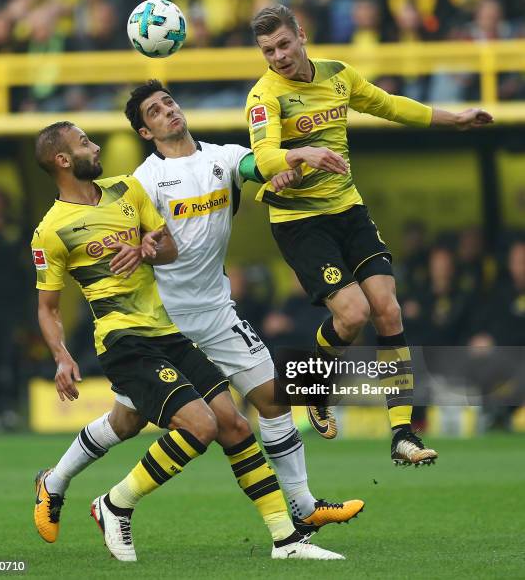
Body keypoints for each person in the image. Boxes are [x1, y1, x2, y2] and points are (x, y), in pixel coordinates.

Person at [33, 82, 364, 547]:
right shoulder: (142, 180)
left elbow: (255, 165)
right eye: (155, 110)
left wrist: (287, 166)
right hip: (164, 320)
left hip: (215, 311)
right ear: (145, 131)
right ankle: (59, 482)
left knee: (273, 398)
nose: (168, 110)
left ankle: (304, 509)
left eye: (169, 102)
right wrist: (143, 246)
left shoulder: (224, 158)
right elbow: (140, 239)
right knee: (129, 422)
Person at [245, 4, 493, 465]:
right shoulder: (264, 96)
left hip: (349, 211)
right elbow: (262, 155)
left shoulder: (339, 74)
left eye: (283, 44)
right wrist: (299, 157)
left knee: (388, 309)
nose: (278, 56)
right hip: (300, 223)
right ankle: (315, 391)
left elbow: (391, 105)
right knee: (353, 314)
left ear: (301, 35)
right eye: (268, 50)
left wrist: (454, 119)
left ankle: (403, 434)